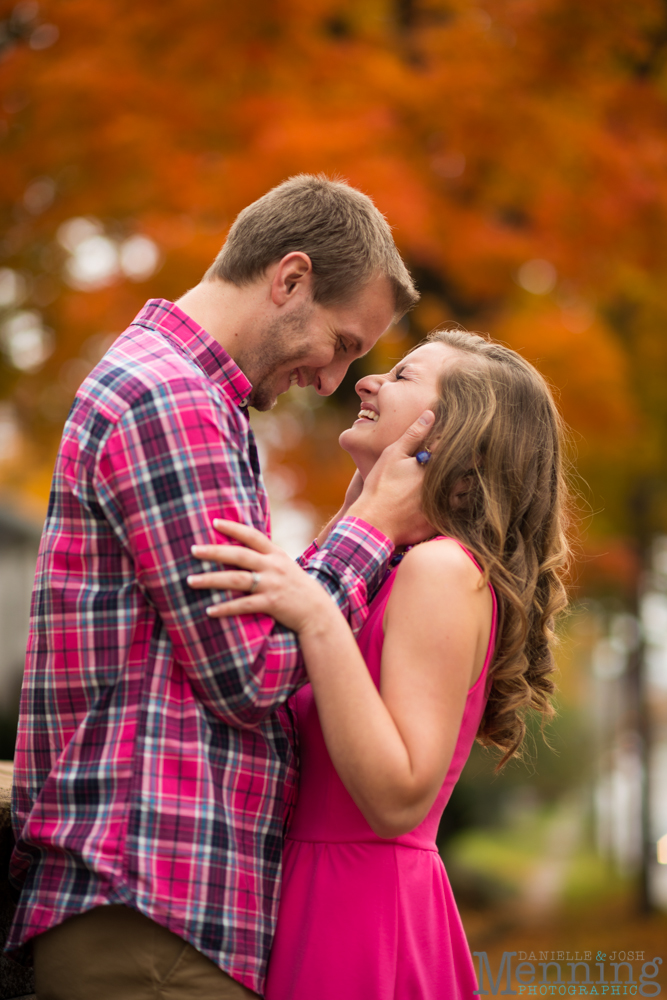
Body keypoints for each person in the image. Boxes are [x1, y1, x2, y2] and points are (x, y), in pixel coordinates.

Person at [7, 175, 435, 999]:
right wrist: (372, 527)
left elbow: (244, 636)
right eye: (344, 343)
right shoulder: (174, 401)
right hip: (152, 912)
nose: (335, 379)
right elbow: (250, 673)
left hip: (160, 914)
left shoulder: (193, 400)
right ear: (290, 280)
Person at [188, 328, 571, 999]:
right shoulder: (386, 567)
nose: (366, 381)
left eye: (400, 377)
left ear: (452, 433)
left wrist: (314, 616)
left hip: (362, 912)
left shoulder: (441, 571)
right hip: (308, 895)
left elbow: (398, 796)